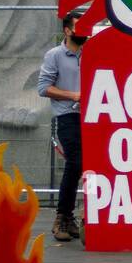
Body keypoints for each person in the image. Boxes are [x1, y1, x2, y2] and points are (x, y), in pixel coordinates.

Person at [37, 12, 86, 242]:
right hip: (67, 117)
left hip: (90, 118)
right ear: (67, 30)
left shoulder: (90, 54)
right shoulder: (54, 55)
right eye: (79, 26)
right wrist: (73, 95)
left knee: (84, 166)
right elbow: (43, 88)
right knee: (75, 163)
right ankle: (62, 217)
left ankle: (72, 216)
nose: (85, 30)